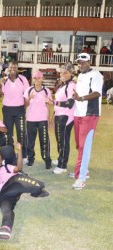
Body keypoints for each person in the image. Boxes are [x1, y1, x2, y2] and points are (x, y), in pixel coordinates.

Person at [0, 142, 49, 240]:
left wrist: (19, 151)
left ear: (2, 161)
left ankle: (36, 192)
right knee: (6, 209)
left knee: (40, 185)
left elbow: (19, 168)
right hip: (4, 192)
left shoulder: (6, 167)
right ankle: (5, 229)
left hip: (14, 181)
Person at [71, 53, 103, 190]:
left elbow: (97, 93)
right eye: (79, 62)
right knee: (79, 145)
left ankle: (81, 177)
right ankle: (82, 170)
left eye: (84, 62)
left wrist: (81, 98)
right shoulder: (80, 76)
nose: (81, 65)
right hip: (78, 114)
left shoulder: (96, 75)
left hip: (90, 114)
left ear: (89, 62)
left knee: (84, 147)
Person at [0, 61, 29, 159]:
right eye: (11, 67)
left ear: (17, 68)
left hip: (19, 110)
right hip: (7, 110)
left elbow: (27, 95)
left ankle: (23, 155)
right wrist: (0, 84)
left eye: (15, 67)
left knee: (21, 133)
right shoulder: (5, 80)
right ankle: (9, 154)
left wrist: (25, 108)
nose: (13, 68)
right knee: (8, 134)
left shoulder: (23, 79)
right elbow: (0, 94)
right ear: (8, 67)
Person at [24, 70, 53, 169]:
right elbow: (25, 105)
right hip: (31, 119)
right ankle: (30, 159)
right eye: (35, 78)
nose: (37, 80)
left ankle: (47, 160)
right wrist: (29, 98)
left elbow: (48, 106)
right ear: (32, 79)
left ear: (42, 78)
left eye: (39, 78)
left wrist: (48, 120)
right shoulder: (28, 90)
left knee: (44, 140)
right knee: (30, 141)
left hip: (42, 120)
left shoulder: (46, 91)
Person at [50, 63, 76, 174]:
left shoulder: (71, 85)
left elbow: (70, 103)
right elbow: (56, 104)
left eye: (65, 72)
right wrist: (52, 117)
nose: (63, 74)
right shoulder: (63, 85)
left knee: (63, 141)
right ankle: (61, 158)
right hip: (59, 116)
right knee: (59, 140)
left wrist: (54, 102)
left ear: (71, 73)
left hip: (66, 117)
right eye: (61, 72)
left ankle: (62, 165)